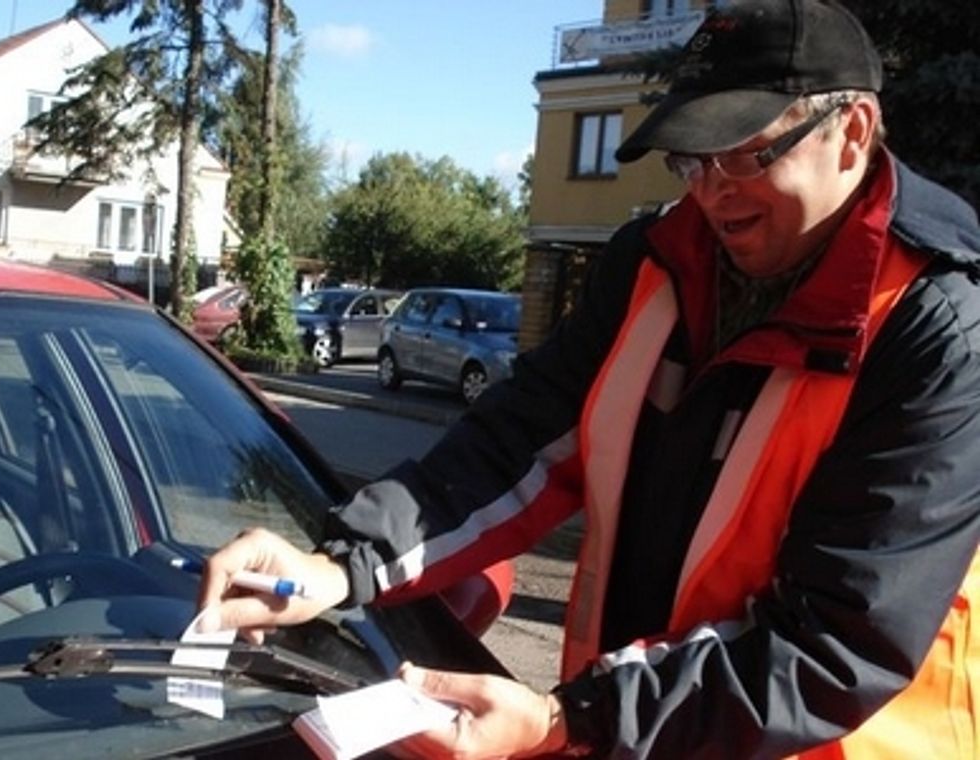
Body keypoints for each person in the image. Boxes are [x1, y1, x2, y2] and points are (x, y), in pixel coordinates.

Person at [199, 1, 980, 756]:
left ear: (851, 132)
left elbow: (837, 643)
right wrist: (339, 564)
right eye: (691, 158)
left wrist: (569, 718)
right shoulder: (656, 264)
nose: (711, 191)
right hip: (632, 732)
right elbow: (514, 444)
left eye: (745, 152)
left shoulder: (939, 329)